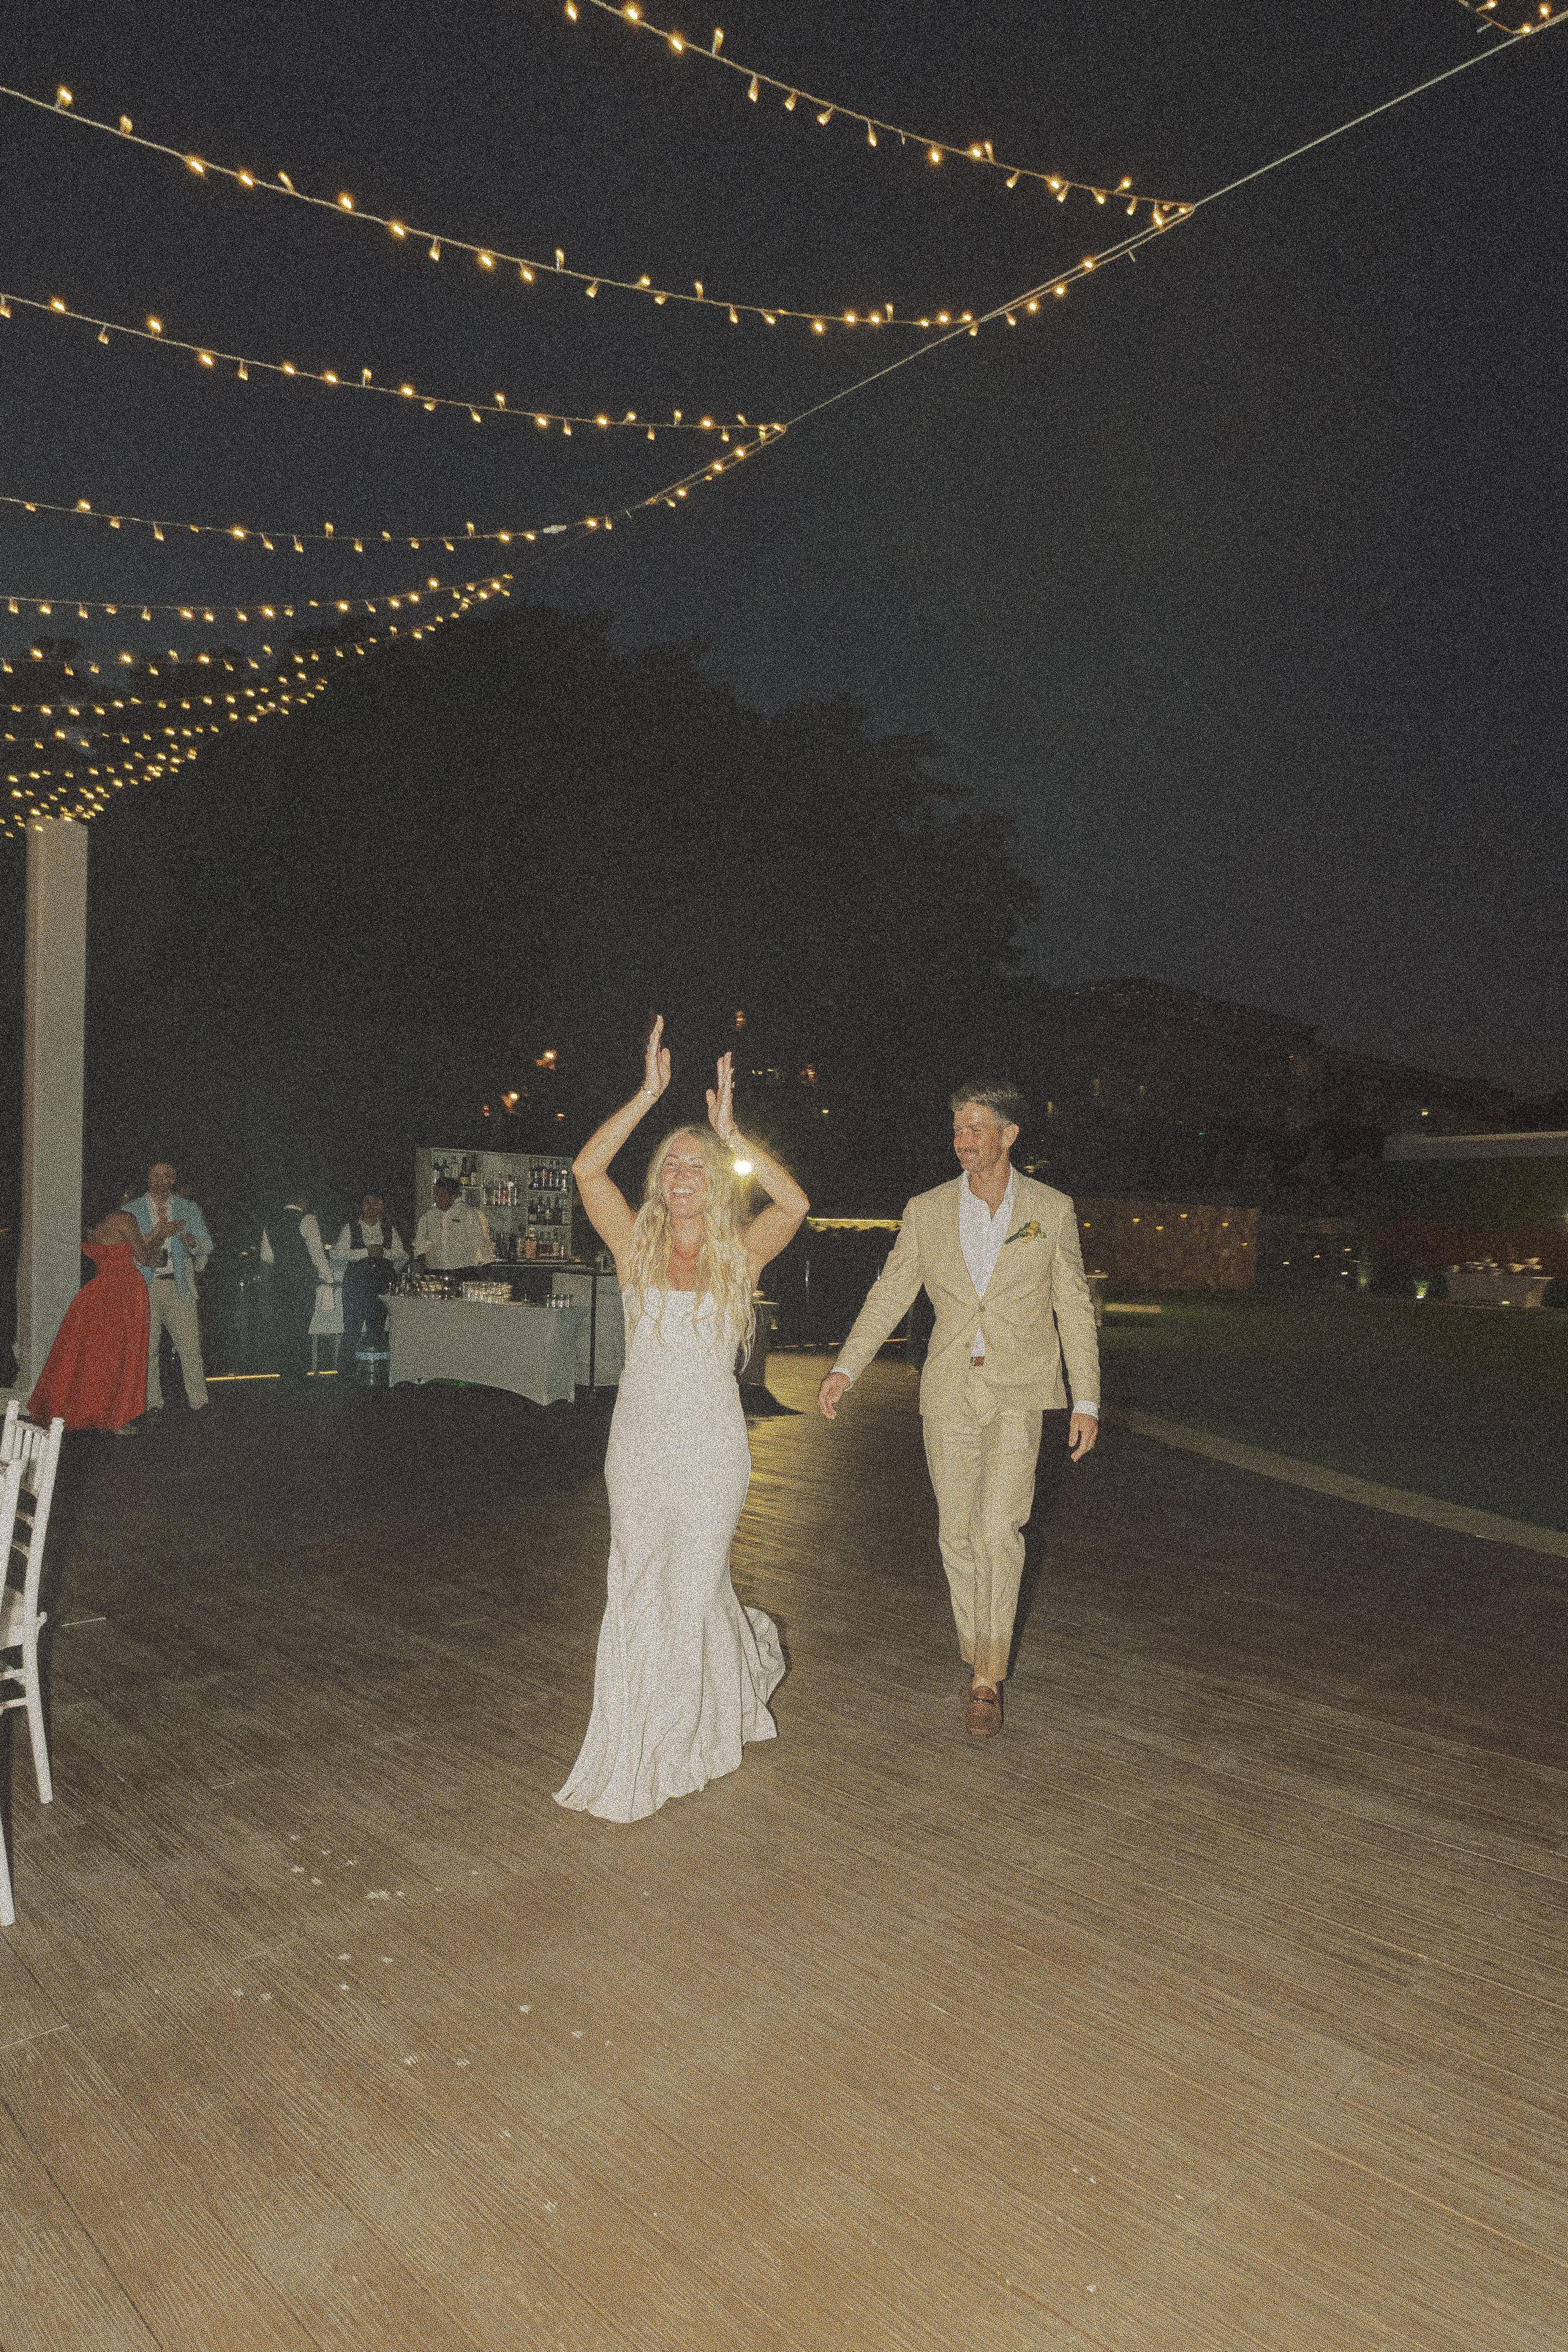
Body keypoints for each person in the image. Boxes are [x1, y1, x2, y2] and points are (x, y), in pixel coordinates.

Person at [556, 1017, 809, 1823]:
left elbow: (796, 1201)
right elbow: (587, 1166)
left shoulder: (743, 1249)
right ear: (660, 1181)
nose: (683, 1174)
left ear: (719, 1180)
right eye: (672, 1166)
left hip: (711, 1447)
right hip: (637, 1441)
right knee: (637, 1584)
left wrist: (735, 1132)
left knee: (694, 1586)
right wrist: (648, 1095)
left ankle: (690, 1734)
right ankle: (639, 1738)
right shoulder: (631, 1244)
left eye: (699, 1165)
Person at [818, 1082, 1099, 1740]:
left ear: (1008, 1135)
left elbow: (1074, 1308)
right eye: (956, 1130)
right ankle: (979, 1643)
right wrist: (845, 1366)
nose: (963, 1141)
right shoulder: (926, 1211)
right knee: (957, 1533)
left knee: (1000, 1528)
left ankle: (985, 1679)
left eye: (977, 1129)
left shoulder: (1050, 1210)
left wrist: (1085, 1398)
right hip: (949, 1389)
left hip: (1021, 1389)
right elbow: (890, 1292)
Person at [29, 1191, 176, 1434]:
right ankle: (115, 1419)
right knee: (123, 1353)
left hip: (97, 1290)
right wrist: (162, 1245)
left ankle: (90, 1413)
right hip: (125, 1289)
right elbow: (143, 1256)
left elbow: (120, 1249)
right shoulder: (124, 1217)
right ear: (122, 1194)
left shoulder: (91, 1224)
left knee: (95, 1355)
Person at [126, 1160, 214, 1419]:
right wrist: (155, 1236)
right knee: (148, 1348)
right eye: (155, 1175)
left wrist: (192, 1242)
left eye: (166, 1176)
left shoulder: (188, 1209)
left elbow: (207, 1244)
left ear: (173, 1179)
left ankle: (200, 1402)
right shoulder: (133, 1210)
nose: (160, 1180)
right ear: (148, 1178)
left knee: (190, 1345)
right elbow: (126, 1251)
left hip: (179, 1285)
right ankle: (153, 1402)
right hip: (146, 1286)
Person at [260, 1193, 333, 1385]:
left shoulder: (272, 1222)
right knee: (301, 1327)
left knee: (284, 1327)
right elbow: (316, 1251)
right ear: (303, 1200)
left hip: (281, 1281)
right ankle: (300, 1375)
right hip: (302, 1280)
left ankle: (285, 1374)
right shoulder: (307, 1219)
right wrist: (328, 1278)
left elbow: (267, 1256)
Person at [332, 1191, 408, 1372]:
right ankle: (346, 1374)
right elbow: (338, 1254)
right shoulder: (350, 1228)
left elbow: (402, 1255)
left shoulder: (390, 1229)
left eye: (376, 1203)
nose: (371, 1207)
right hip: (356, 1286)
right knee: (352, 1328)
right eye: (367, 1203)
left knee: (377, 1330)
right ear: (361, 1206)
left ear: (381, 1206)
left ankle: (375, 1372)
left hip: (381, 1286)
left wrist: (384, 1253)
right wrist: (366, 1252)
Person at [412, 1177, 494, 1280]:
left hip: (464, 1272)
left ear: (453, 1196)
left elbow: (480, 1243)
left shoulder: (468, 1213)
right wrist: (425, 1269)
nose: (436, 1199)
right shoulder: (429, 1216)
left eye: (441, 1195)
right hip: (435, 1273)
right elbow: (420, 1246)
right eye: (435, 1194)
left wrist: (486, 1272)